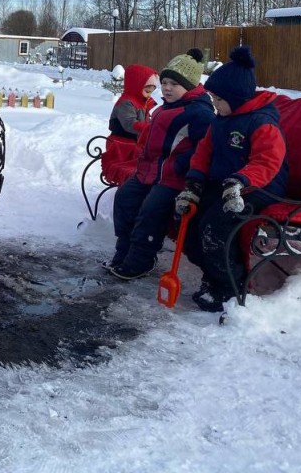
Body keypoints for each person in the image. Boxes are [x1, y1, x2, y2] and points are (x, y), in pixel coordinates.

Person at [177, 45, 288, 312]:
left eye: (218, 100)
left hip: (258, 188)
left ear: (236, 98)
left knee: (216, 228)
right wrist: (193, 184)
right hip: (224, 186)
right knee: (188, 220)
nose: (214, 105)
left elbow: (267, 161)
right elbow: (203, 154)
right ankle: (212, 276)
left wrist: (240, 182)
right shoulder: (221, 121)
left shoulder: (262, 123)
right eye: (213, 99)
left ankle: (230, 286)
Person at [106, 49, 215, 280]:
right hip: (150, 172)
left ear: (190, 85)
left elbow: (203, 149)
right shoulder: (165, 108)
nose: (166, 88)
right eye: (164, 82)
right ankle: (123, 251)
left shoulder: (199, 113)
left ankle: (140, 261)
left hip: (174, 177)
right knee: (124, 197)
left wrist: (178, 166)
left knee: (151, 211)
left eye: (174, 84)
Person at [101, 64, 158, 183]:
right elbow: (129, 123)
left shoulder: (142, 102)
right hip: (120, 144)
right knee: (144, 162)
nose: (149, 95)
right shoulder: (126, 103)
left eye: (151, 92)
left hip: (133, 143)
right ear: (136, 86)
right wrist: (149, 128)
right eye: (147, 91)